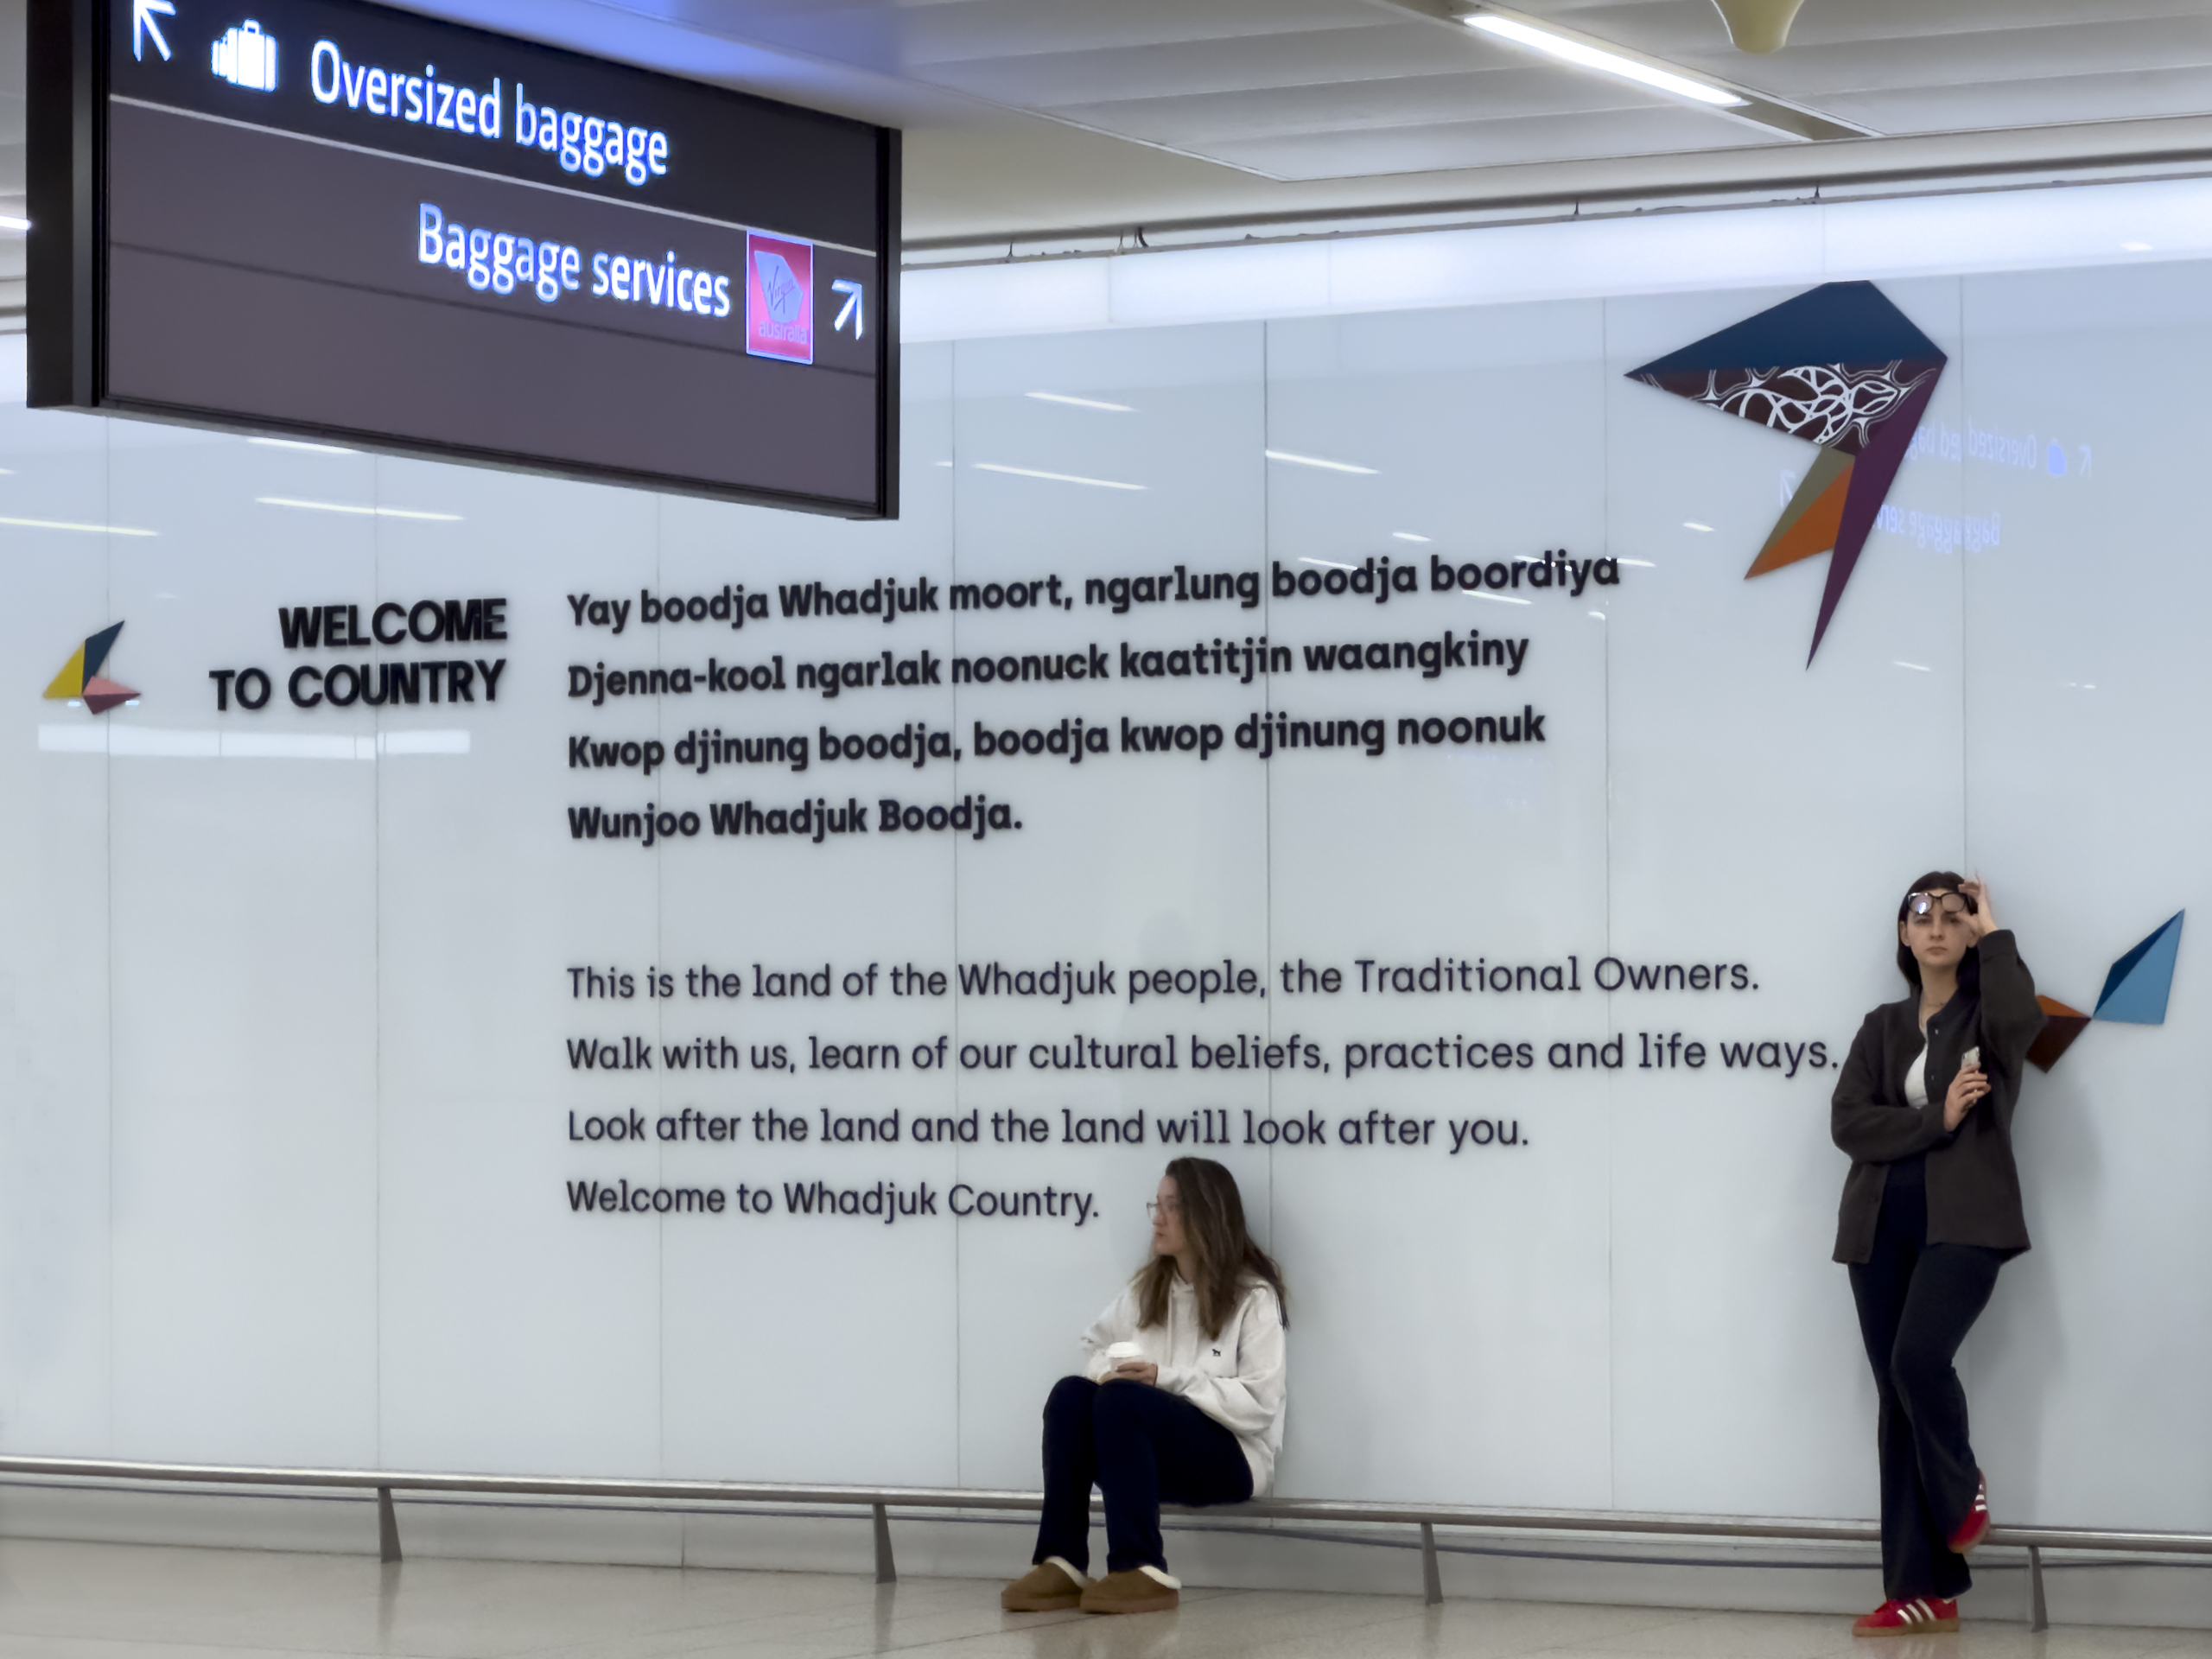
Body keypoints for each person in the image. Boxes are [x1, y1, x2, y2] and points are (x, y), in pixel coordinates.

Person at [1831, 874, 2043, 1637]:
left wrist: (1996, 932)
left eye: (1955, 917)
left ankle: (1961, 1491)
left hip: (1967, 1223)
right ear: (1902, 933)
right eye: (1922, 915)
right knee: (1897, 1402)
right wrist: (1937, 1120)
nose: (1937, 927)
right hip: (1878, 1226)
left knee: (1918, 1362)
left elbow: (2024, 1022)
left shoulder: (1991, 1016)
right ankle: (1921, 1590)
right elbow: (1850, 1123)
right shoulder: (1880, 1027)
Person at [1000, 1157, 1287, 1617]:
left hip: (1234, 1458)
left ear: (1206, 1213)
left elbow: (1260, 1405)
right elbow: (1092, 1344)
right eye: (1157, 1203)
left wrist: (1161, 1378)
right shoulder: (1147, 1289)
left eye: (1173, 1206)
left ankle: (1141, 1568)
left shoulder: (1253, 1298)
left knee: (1123, 1400)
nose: (1158, 1216)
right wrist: (1108, 1372)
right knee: (1071, 1395)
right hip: (1145, 1454)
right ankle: (1062, 1562)